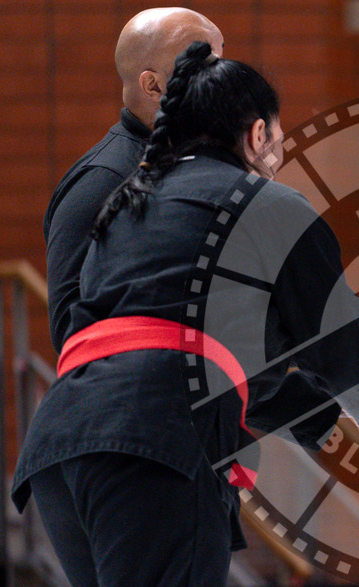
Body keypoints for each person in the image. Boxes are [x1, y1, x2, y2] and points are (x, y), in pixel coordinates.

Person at [12, 42, 359, 587]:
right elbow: (343, 343)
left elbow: (217, 353)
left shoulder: (128, 205)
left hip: (63, 447)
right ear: (257, 134)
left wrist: (321, 415)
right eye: (279, 136)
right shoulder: (264, 203)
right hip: (158, 437)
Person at [44, 7, 224, 352]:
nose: (225, 76)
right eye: (205, 64)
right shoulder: (100, 182)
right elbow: (70, 328)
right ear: (153, 85)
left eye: (222, 57)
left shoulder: (201, 158)